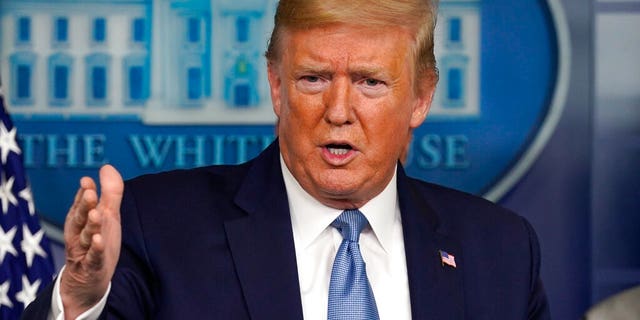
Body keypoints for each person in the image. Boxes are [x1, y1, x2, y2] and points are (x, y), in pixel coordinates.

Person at [24, 0, 550, 319]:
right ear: (277, 87)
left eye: (370, 82)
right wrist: (78, 299)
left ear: (420, 98)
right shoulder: (158, 227)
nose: (338, 111)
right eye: (313, 79)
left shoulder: (500, 250)